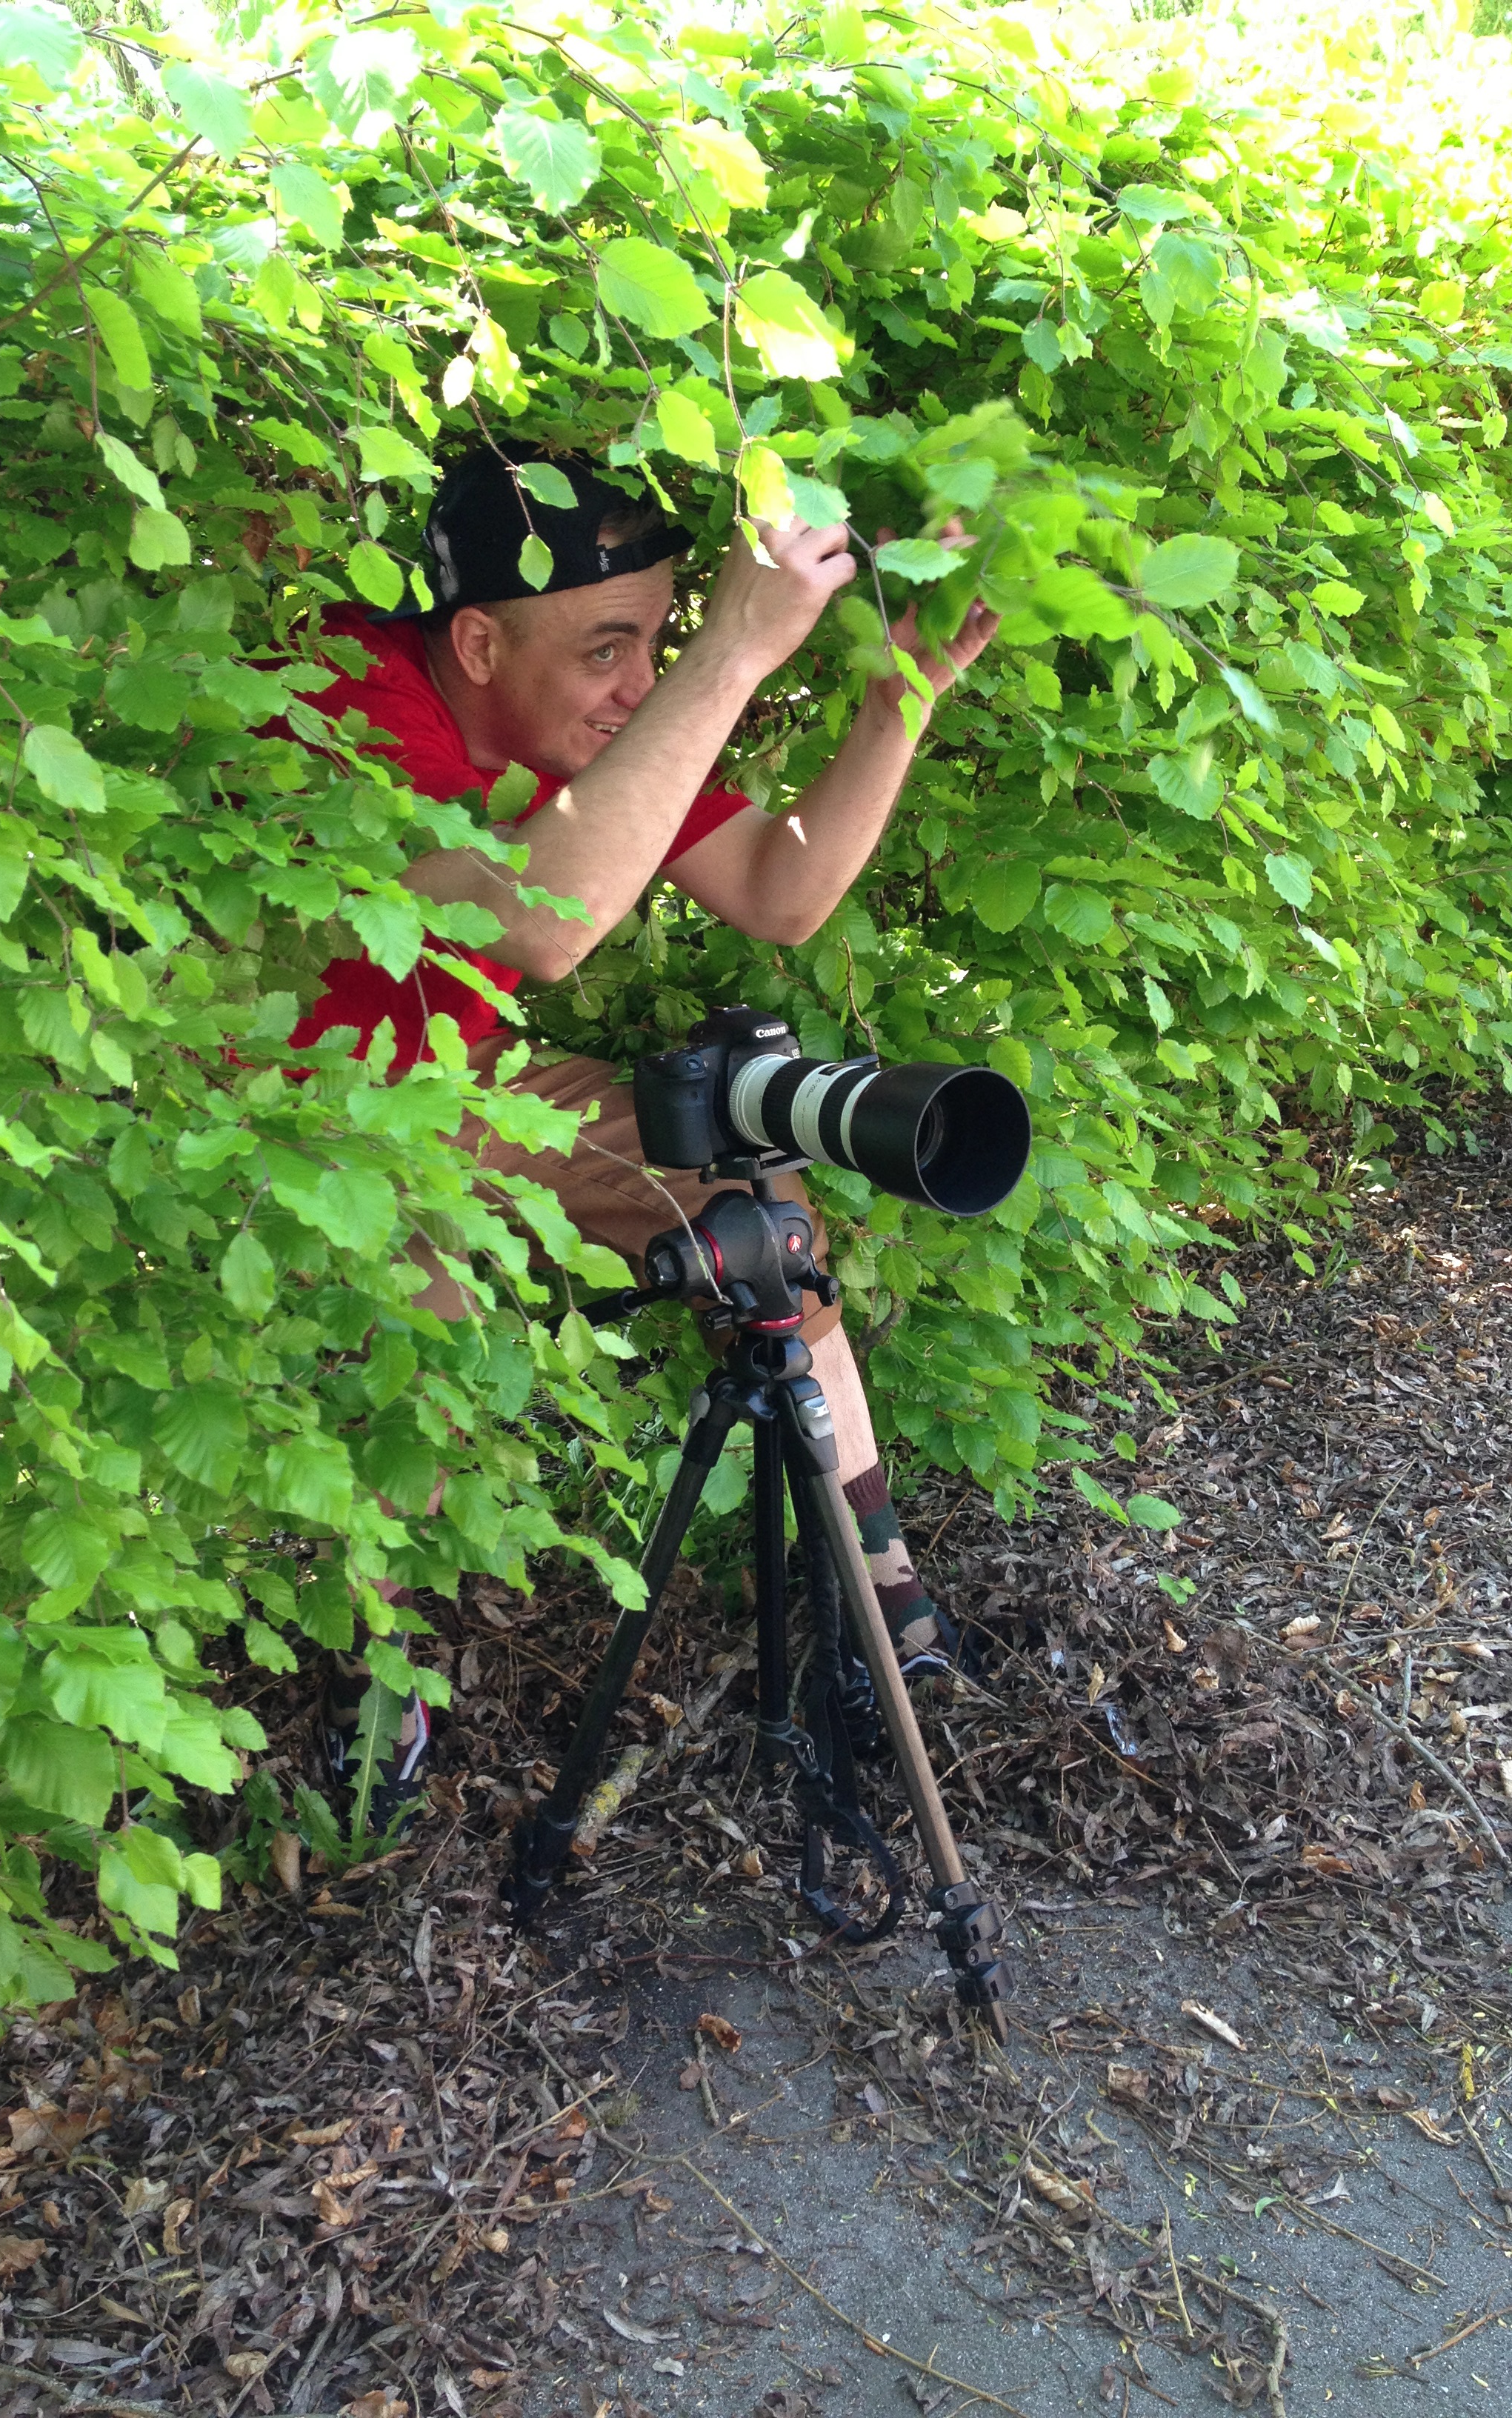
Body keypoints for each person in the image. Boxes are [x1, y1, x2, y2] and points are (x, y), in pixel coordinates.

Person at [290, 446, 999, 1825]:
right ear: (478, 639)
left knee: (761, 1217)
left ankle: (878, 1583)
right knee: (408, 1330)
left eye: (658, 640)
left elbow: (781, 888)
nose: (640, 679)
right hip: (310, 1112)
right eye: (608, 647)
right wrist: (726, 653)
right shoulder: (351, 692)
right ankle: (370, 1667)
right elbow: (539, 922)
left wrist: (899, 694)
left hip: (474, 1077)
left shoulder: (589, 729)